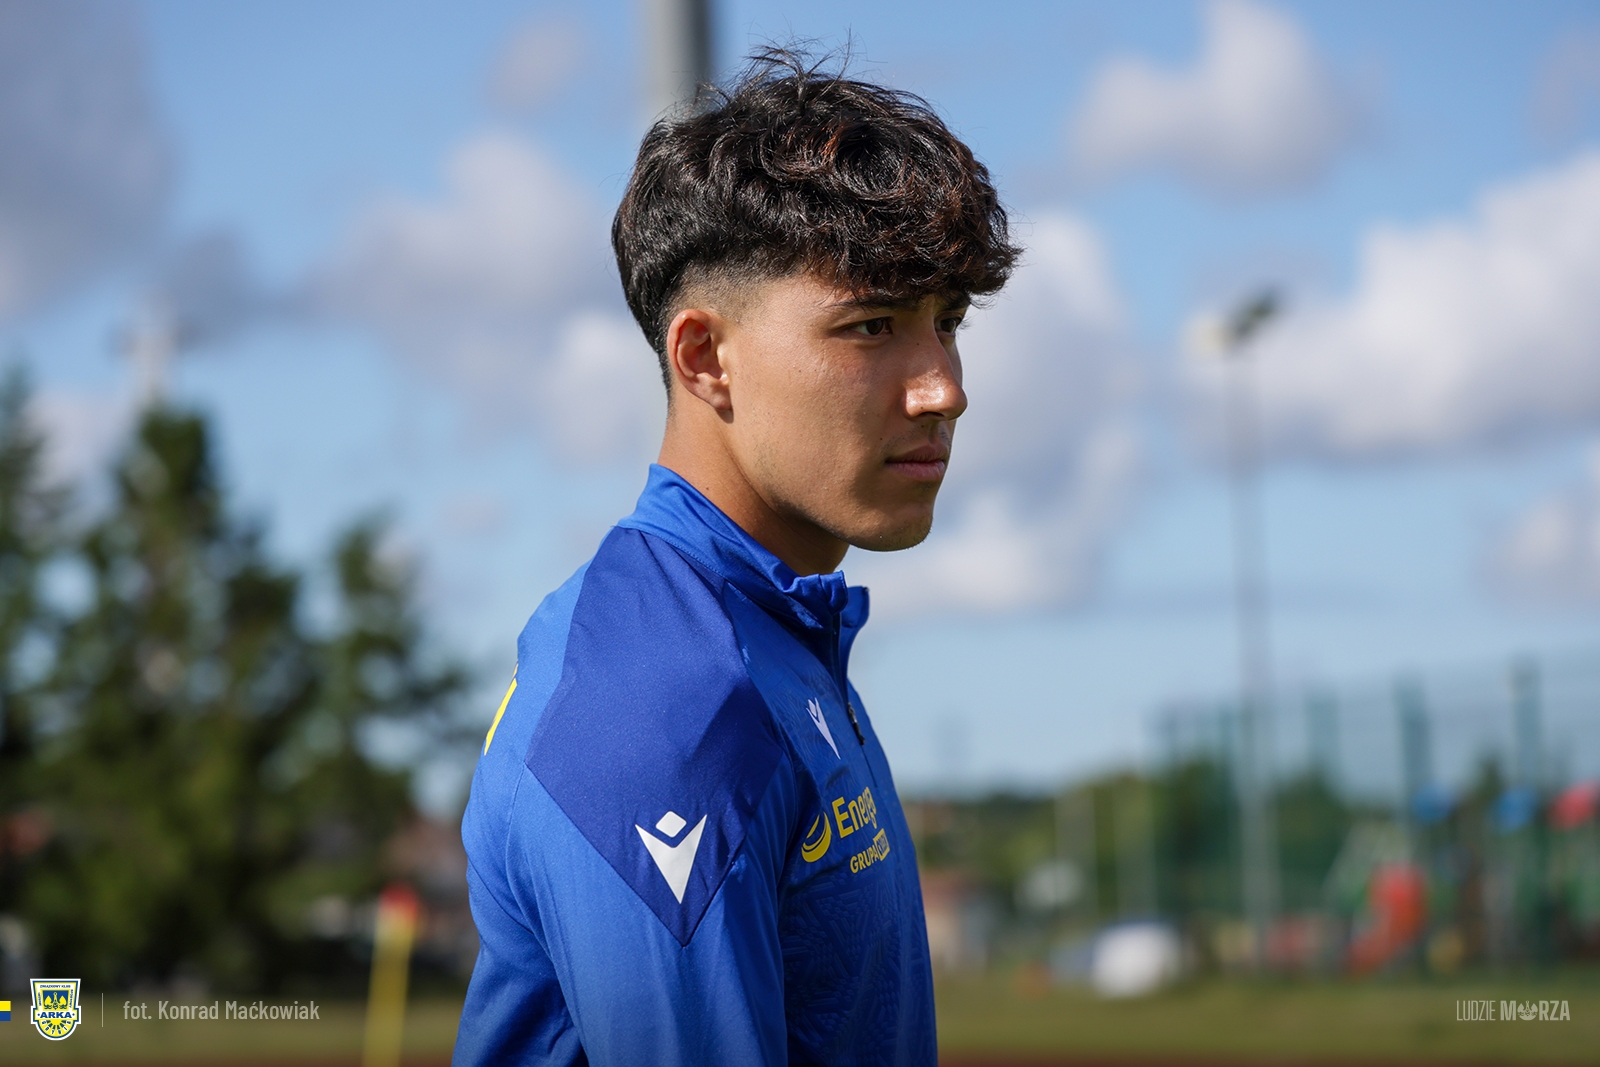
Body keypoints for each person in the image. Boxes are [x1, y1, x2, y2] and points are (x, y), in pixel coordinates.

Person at [453, 51, 1017, 1066]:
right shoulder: (664, 702)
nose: (944, 387)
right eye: (872, 326)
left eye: (947, 322)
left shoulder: (766, 631)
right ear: (705, 357)